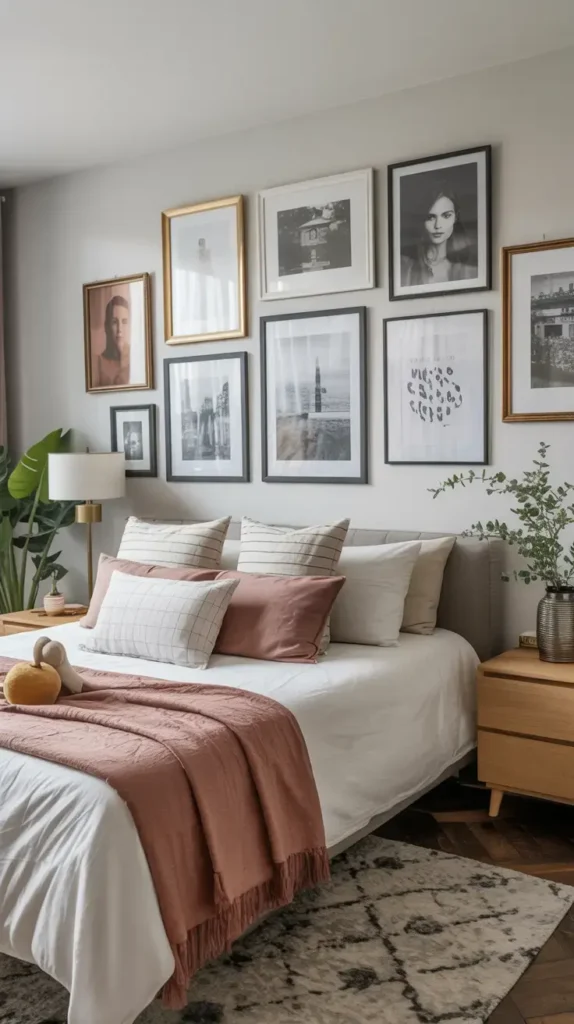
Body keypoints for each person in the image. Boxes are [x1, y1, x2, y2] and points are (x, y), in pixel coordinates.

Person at [400, 185, 478, 287]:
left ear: (456, 217)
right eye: (430, 217)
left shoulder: (470, 270)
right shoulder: (403, 265)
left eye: (446, 216)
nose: (437, 226)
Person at [95, 295, 130, 387]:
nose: (120, 329)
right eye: (114, 322)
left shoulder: (137, 359)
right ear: (107, 326)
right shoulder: (97, 363)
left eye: (124, 322)